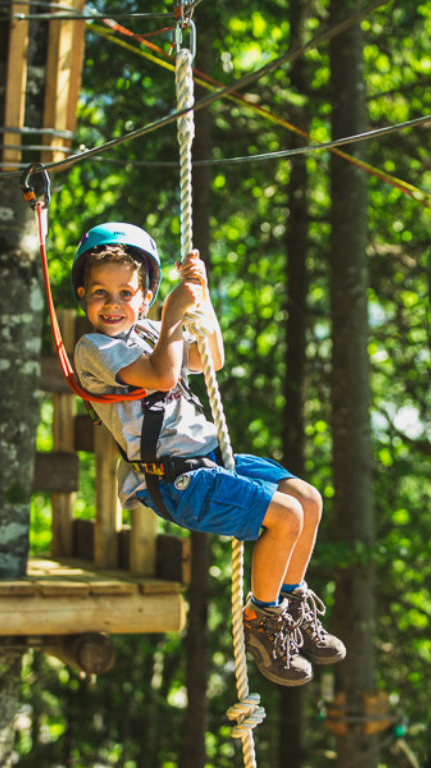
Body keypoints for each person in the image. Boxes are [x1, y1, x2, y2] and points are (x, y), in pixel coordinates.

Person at [72, 222, 345, 686]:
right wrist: (175, 316)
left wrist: (201, 301)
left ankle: (291, 599)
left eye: (125, 293)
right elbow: (161, 376)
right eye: (101, 293)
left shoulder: (149, 330)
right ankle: (263, 620)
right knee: (285, 516)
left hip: (213, 455)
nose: (114, 304)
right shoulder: (94, 348)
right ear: (83, 295)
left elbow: (209, 358)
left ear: (144, 296)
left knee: (309, 500)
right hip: (174, 477)